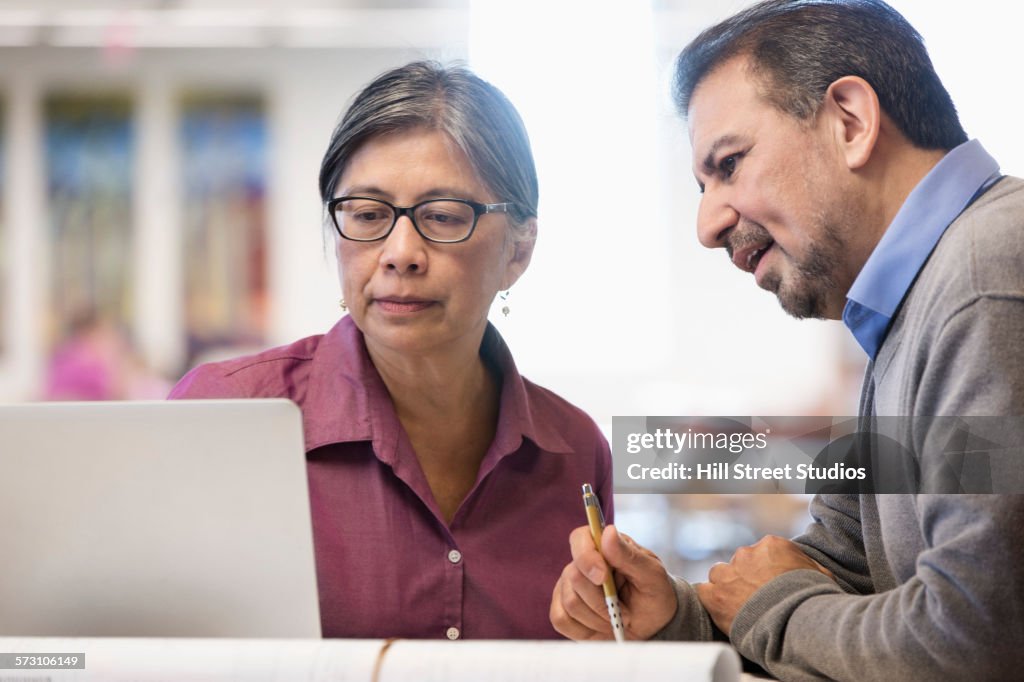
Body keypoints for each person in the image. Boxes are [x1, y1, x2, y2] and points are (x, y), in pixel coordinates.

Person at [550, 1, 1024, 679]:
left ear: (851, 122)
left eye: (730, 163)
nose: (707, 224)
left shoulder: (986, 277)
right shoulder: (908, 307)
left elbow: (976, 640)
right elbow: (848, 569)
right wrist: (678, 618)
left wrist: (771, 609)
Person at [170, 61, 612, 640]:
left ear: (519, 250)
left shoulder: (573, 452)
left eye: (444, 217)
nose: (400, 252)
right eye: (369, 215)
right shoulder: (225, 412)